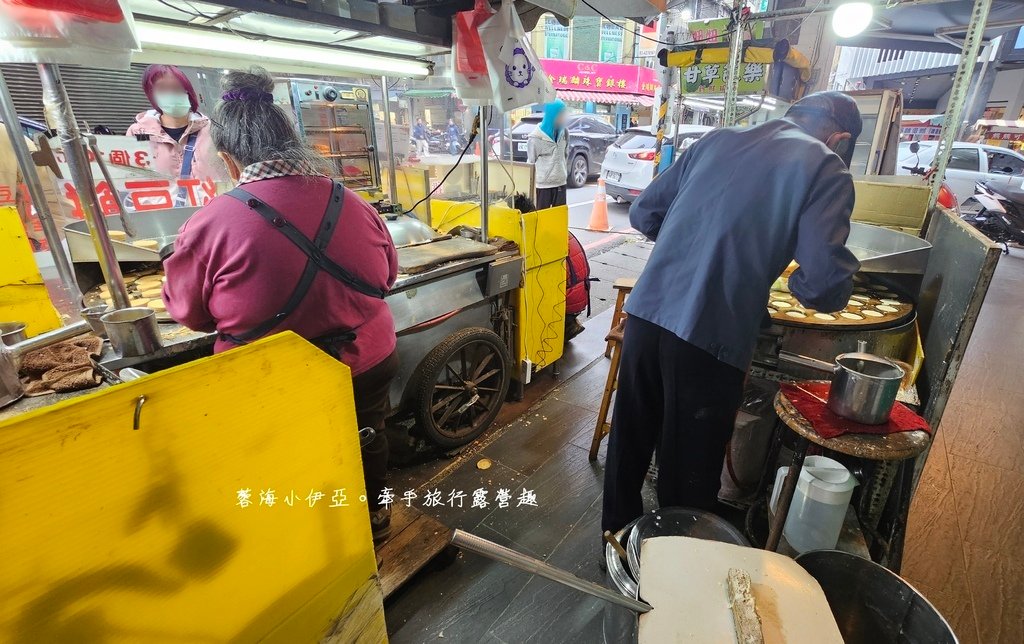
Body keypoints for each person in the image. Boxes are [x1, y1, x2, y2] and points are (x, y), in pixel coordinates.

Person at [601, 91, 863, 535]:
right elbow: (823, 282)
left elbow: (645, 212)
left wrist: (694, 246)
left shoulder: (717, 139)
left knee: (629, 443)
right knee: (688, 469)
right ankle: (674, 574)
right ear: (840, 137)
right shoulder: (826, 166)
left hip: (647, 315)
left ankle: (617, 544)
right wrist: (781, 279)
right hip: (711, 336)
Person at [162, 67, 399, 543]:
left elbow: (187, 314)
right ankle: (375, 523)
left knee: (286, 457)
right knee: (367, 438)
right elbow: (387, 277)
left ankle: (307, 541)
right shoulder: (354, 203)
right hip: (366, 359)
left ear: (229, 161)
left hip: (271, 379)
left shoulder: (209, 224)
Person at [126, 64, 228, 202]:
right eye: (162, 88)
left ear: (187, 92)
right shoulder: (138, 133)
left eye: (176, 88)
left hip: (210, 209)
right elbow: (132, 179)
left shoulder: (213, 130)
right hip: (163, 215)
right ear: (151, 94)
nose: (171, 93)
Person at [527, 101, 569, 209]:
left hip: (560, 183)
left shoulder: (565, 132)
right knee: (542, 219)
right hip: (543, 186)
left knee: (558, 218)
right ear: (552, 114)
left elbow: (565, 154)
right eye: (561, 113)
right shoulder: (535, 138)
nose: (564, 117)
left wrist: (562, 172)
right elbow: (531, 162)